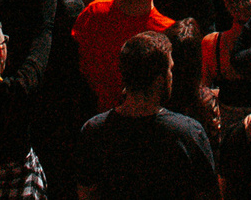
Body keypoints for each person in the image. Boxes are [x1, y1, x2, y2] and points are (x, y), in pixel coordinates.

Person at [77, 29, 215, 200]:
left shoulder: (94, 131)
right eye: (170, 69)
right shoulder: (188, 134)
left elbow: (85, 192)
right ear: (159, 79)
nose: (172, 75)